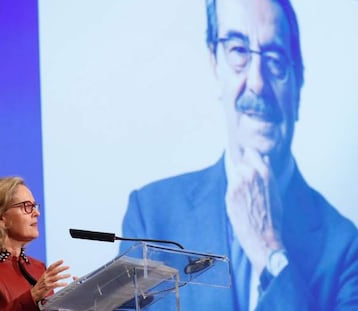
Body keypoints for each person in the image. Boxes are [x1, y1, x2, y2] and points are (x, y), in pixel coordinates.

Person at [119, 0, 358, 310]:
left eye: (274, 59)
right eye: (238, 51)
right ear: (214, 63)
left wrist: (271, 253)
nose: (257, 83)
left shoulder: (347, 248)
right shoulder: (151, 217)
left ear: (298, 84)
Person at [0, 177, 71, 311]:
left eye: (34, 206)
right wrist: (32, 297)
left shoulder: (38, 268)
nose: (36, 213)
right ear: (0, 217)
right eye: (27, 206)